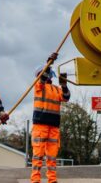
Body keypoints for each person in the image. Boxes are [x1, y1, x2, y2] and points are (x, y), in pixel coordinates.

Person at [30, 53, 70, 183]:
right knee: (38, 156)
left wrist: (64, 85)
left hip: (53, 126)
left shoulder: (55, 88)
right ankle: (35, 180)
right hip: (40, 126)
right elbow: (43, 78)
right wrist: (49, 64)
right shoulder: (38, 86)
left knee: (52, 157)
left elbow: (66, 97)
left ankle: (52, 180)